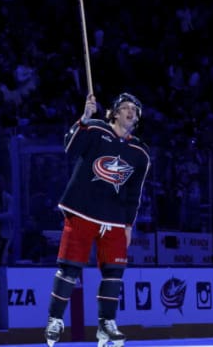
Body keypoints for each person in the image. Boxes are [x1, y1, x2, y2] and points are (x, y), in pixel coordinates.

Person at [44, 92, 151, 347]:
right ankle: (55, 319)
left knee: (115, 272)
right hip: (82, 210)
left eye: (134, 111)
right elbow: (70, 148)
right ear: (114, 112)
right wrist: (84, 117)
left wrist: (128, 225)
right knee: (70, 268)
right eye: (125, 108)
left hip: (114, 219)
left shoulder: (140, 153)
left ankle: (106, 324)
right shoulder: (94, 129)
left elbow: (134, 194)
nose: (130, 113)